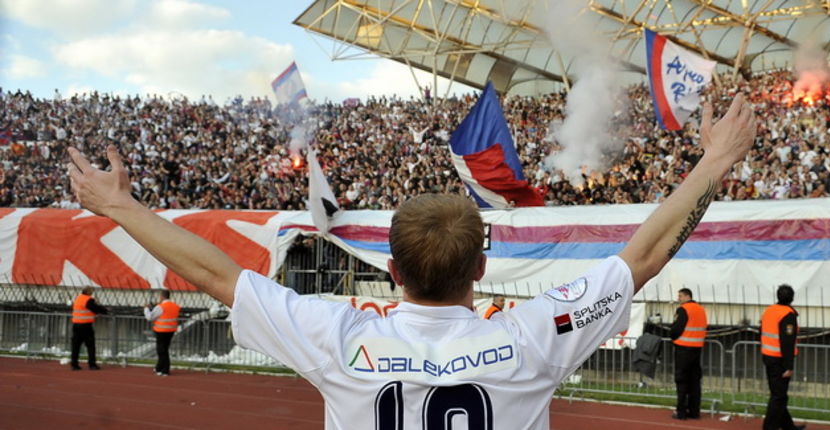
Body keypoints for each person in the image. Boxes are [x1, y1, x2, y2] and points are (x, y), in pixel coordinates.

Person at [67, 95, 755, 428]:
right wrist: (716, 160)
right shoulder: (533, 337)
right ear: (480, 270)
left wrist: (122, 208)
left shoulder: (340, 339)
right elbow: (646, 254)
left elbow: (218, 274)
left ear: (391, 269)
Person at [761, 284, 805, 430]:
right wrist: (789, 366)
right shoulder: (788, 314)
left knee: (778, 394)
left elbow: (761, 330)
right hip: (779, 359)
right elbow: (787, 341)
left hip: (768, 355)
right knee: (779, 396)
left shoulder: (769, 310)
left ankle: (788, 426)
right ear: (792, 298)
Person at [669, 288, 708, 419]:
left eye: (680, 296)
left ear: (687, 296)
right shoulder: (701, 309)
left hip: (683, 349)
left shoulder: (684, 309)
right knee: (695, 382)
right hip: (697, 348)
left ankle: (681, 412)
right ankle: (694, 411)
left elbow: (676, 329)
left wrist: (672, 335)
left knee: (682, 381)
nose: (678, 299)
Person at [70, 286, 109, 371]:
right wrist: (105, 310)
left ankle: (74, 364)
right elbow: (95, 308)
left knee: (76, 346)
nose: (92, 293)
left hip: (76, 324)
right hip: (86, 325)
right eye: (91, 291)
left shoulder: (78, 298)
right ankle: (92, 364)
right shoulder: (88, 299)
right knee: (90, 345)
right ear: (88, 292)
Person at [144, 290, 181, 376]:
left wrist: (146, 309)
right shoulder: (175, 306)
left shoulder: (161, 306)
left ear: (162, 296)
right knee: (164, 349)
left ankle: (165, 370)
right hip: (171, 330)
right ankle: (159, 367)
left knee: (162, 351)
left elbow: (150, 317)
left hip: (161, 330)